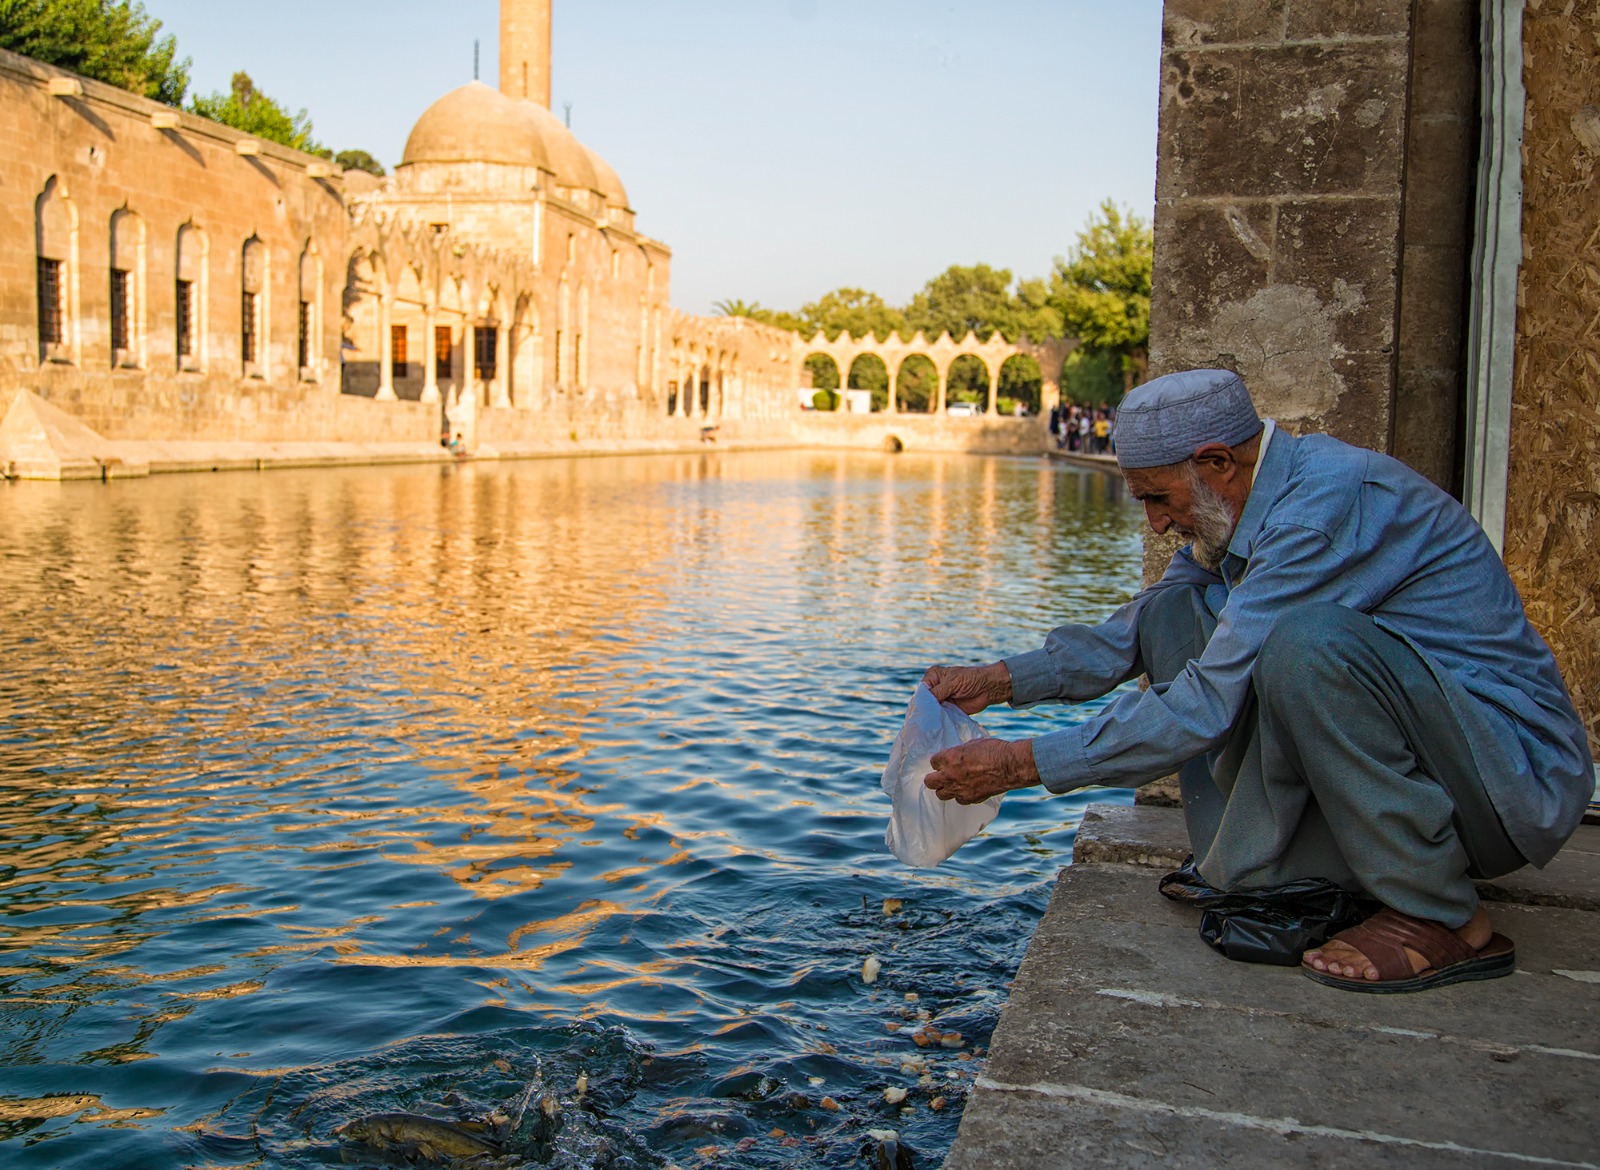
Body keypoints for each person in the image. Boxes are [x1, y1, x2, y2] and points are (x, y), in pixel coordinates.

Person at [921, 368, 1590, 993]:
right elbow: (1134, 631)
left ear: (1217, 463)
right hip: (1441, 761)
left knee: (1307, 648)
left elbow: (1207, 701)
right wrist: (1003, 680)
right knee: (1174, 610)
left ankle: (1443, 914)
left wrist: (1021, 763)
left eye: (1160, 498)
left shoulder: (1322, 508)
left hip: (1509, 781)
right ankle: (1266, 870)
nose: (1155, 522)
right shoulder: (1243, 505)